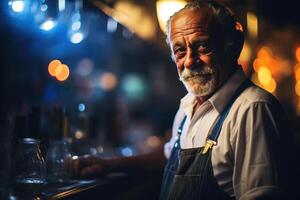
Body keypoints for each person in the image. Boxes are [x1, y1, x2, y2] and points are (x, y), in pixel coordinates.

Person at [72, 1, 291, 199]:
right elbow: (171, 157)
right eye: (179, 50)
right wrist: (109, 165)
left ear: (232, 45)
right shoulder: (189, 105)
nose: (189, 61)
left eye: (203, 46)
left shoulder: (253, 109)